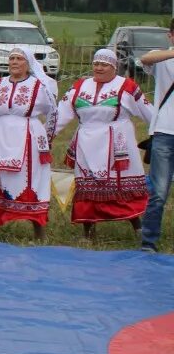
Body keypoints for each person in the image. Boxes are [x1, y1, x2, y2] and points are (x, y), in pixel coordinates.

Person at [53, 48, 150, 241]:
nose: (99, 68)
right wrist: (45, 136)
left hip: (116, 143)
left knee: (121, 187)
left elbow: (148, 111)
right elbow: (61, 113)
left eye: (104, 64)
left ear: (114, 67)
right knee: (87, 187)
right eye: (96, 64)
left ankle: (138, 228)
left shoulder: (127, 86)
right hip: (86, 141)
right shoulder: (79, 86)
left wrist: (161, 132)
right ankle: (88, 234)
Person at [0, 49, 55, 241]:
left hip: (28, 139)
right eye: (12, 58)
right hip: (0, 138)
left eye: (19, 59)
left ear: (28, 63)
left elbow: (53, 113)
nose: (14, 62)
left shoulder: (40, 86)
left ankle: (40, 235)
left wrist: (46, 139)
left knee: (30, 184)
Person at [137, 20, 174, 252]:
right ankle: (149, 241)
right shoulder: (161, 58)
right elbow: (145, 60)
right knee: (159, 192)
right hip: (165, 132)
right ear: (171, 36)